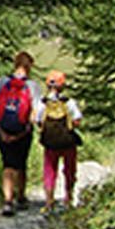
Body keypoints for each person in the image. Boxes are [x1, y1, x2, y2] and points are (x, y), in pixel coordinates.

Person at [0, 51, 40, 216]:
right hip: (22, 132)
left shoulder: (1, 82)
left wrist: (0, 130)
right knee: (20, 163)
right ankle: (21, 197)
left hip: (2, 130)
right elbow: (35, 113)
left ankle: (7, 201)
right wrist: (24, 131)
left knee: (7, 164)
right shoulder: (32, 86)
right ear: (29, 66)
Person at [36, 69, 84, 212]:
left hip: (50, 144)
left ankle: (49, 201)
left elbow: (37, 121)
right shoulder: (68, 102)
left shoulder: (43, 103)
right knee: (69, 170)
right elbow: (77, 120)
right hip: (68, 143)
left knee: (50, 170)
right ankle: (68, 199)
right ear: (62, 86)